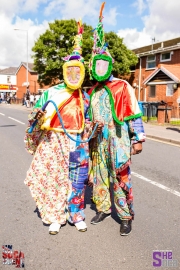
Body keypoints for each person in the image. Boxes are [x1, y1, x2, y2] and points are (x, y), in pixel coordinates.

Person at [24, 20, 95, 235]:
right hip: (54, 141)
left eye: (78, 71)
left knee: (77, 180)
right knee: (54, 180)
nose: (74, 75)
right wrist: (35, 116)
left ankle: (76, 215)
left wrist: (92, 128)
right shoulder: (51, 92)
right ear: (65, 71)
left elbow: (88, 121)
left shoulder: (85, 97)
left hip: (76, 142)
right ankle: (56, 216)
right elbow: (35, 115)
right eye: (70, 70)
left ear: (82, 73)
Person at [88, 2, 146, 236]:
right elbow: (87, 116)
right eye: (96, 63)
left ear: (108, 64)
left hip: (118, 138)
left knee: (120, 175)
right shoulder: (92, 90)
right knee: (100, 174)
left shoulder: (122, 86)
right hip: (98, 141)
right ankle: (102, 208)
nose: (99, 66)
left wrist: (138, 138)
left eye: (103, 63)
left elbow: (134, 112)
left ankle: (124, 215)